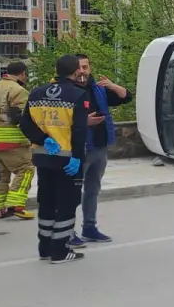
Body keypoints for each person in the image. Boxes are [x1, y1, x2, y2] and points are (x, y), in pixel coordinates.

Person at [19, 54, 92, 264]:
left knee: (47, 202)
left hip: (43, 157)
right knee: (67, 203)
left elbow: (25, 124)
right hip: (68, 160)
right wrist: (77, 157)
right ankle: (60, 250)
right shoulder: (78, 95)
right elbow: (79, 130)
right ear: (76, 71)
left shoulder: (36, 92)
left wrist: (43, 139)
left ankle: (45, 247)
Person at [68, 53, 133, 247]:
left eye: (85, 67)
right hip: (77, 149)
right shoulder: (65, 91)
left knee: (92, 189)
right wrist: (83, 121)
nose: (82, 71)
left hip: (99, 147)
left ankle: (89, 227)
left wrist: (112, 85)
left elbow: (126, 96)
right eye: (78, 67)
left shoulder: (99, 89)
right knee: (71, 192)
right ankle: (67, 231)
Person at [0, 60, 35, 220]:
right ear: (23, 73)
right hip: (13, 140)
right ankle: (15, 204)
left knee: (1, 176)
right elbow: (22, 117)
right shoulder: (18, 90)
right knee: (26, 170)